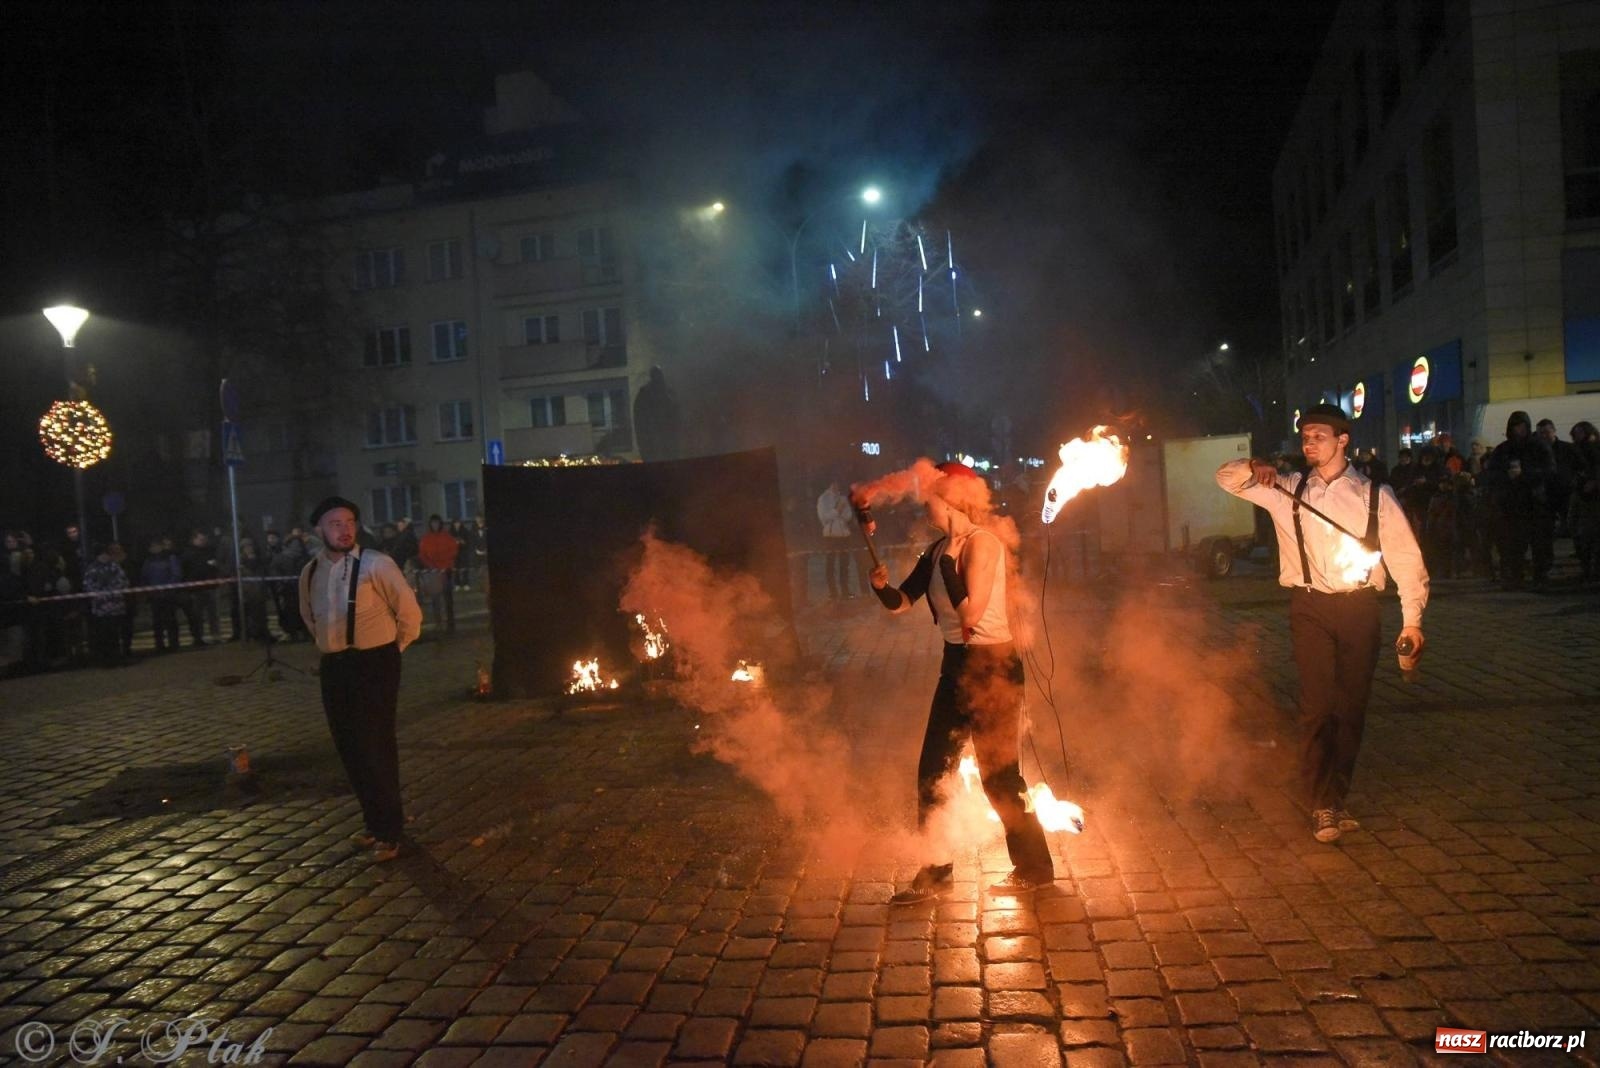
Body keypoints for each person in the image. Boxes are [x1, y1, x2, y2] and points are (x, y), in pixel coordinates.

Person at [1216, 403, 1428, 843]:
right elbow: (1227, 478)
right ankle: (1321, 804)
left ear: (1343, 439)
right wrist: (1254, 465)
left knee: (1350, 709)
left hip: (1360, 608)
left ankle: (1337, 795)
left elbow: (1407, 561)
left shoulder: (1375, 496)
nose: (1309, 444)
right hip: (1310, 607)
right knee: (1318, 707)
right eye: (1305, 437)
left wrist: (1413, 622)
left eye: (1318, 436)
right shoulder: (1286, 490)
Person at [862, 461, 1055, 900]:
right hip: (955, 667)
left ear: (949, 500)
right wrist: (881, 586)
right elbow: (901, 602)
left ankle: (1035, 868)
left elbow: (970, 615)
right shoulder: (934, 551)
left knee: (1000, 778)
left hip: (993, 668)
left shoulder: (983, 546)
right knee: (933, 770)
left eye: (930, 496)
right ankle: (936, 869)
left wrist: (951, 561)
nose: (923, 503)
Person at [298, 496, 422, 863]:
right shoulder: (310, 572)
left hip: (375, 662)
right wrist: (331, 647)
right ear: (319, 530)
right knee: (348, 746)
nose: (344, 528)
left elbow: (409, 612)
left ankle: (390, 829)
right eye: (335, 523)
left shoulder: (376, 564)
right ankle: (373, 821)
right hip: (336, 665)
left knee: (375, 745)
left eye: (349, 521)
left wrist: (391, 652)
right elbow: (310, 616)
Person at [816, 480, 859, 601]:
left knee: (844, 564)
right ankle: (833, 592)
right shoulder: (823, 499)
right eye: (834, 483)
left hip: (844, 535)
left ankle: (845, 591)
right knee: (831, 564)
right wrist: (837, 511)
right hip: (830, 536)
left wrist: (840, 513)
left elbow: (848, 515)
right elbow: (823, 517)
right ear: (830, 484)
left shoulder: (843, 498)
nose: (836, 486)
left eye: (838, 483)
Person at [416, 515, 459, 635]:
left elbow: (453, 551)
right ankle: (438, 624)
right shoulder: (426, 538)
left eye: (437, 523)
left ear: (440, 524)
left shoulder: (447, 537)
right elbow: (422, 555)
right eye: (433, 523)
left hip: (447, 570)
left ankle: (451, 625)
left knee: (448, 600)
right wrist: (431, 565)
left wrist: (446, 564)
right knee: (436, 600)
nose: (435, 525)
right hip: (433, 572)